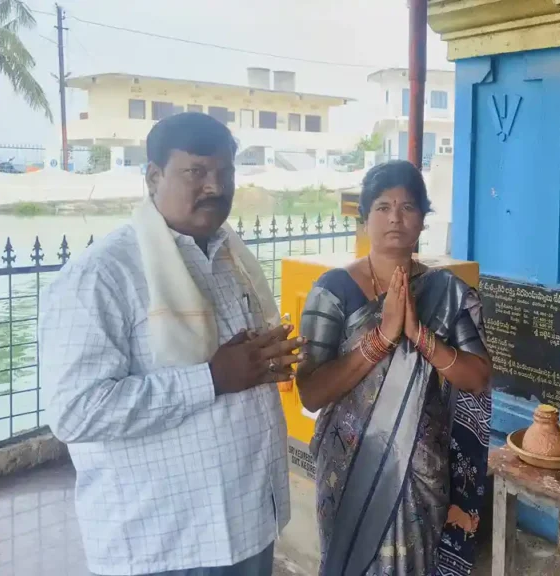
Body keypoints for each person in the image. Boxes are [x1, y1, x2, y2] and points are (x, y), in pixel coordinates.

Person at [40, 112, 301, 576]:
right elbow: (75, 411)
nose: (214, 186)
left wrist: (265, 362)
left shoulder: (228, 258)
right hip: (164, 541)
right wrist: (212, 379)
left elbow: (242, 366)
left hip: (248, 523)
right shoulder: (99, 277)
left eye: (225, 172)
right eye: (195, 172)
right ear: (153, 177)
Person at [295, 160, 492, 576]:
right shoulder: (333, 291)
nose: (395, 218)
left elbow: (477, 378)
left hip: (420, 466)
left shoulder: (448, 292)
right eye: (383, 207)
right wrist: (381, 339)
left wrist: (420, 336)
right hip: (350, 470)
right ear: (365, 217)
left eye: (408, 207)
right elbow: (311, 393)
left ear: (423, 219)